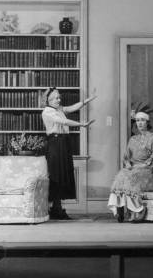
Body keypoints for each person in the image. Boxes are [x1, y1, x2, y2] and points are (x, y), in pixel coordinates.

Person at [42, 87, 96, 220]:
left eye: (59, 97)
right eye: (55, 98)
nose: (58, 100)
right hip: (55, 144)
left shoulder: (58, 109)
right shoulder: (47, 111)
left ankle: (57, 208)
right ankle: (56, 209)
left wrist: (87, 100)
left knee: (63, 174)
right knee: (56, 175)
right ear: (48, 100)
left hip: (63, 142)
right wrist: (81, 124)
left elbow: (72, 108)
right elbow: (64, 121)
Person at [107, 111, 153, 223]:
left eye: (142, 120)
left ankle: (138, 211)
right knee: (121, 176)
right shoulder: (132, 139)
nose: (140, 123)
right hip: (133, 167)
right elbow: (126, 157)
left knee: (131, 178)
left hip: (147, 169)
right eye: (137, 120)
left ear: (147, 122)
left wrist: (150, 168)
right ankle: (120, 208)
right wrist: (127, 165)